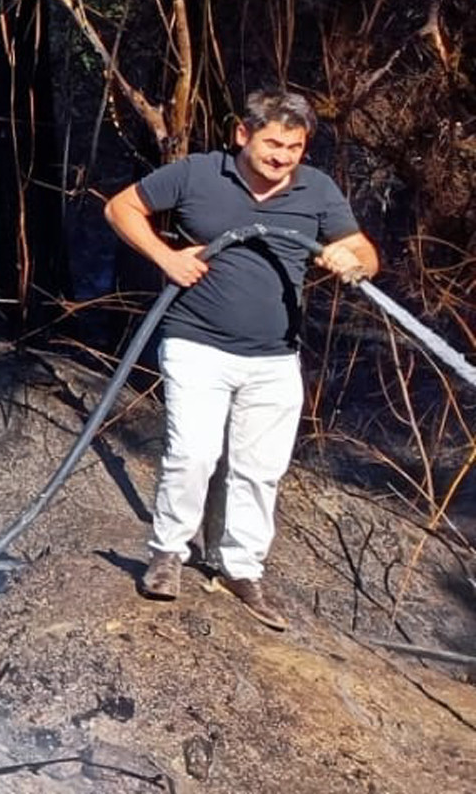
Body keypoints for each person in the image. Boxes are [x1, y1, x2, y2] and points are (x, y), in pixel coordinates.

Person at [106, 88, 382, 632]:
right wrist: (165, 257)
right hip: (196, 344)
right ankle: (167, 554)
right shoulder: (198, 174)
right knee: (194, 454)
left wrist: (351, 259)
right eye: (273, 143)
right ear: (242, 134)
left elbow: (365, 252)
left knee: (260, 470)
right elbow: (121, 207)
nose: (282, 157)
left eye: (294, 147)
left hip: (275, 358)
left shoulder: (317, 190)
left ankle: (241, 568)